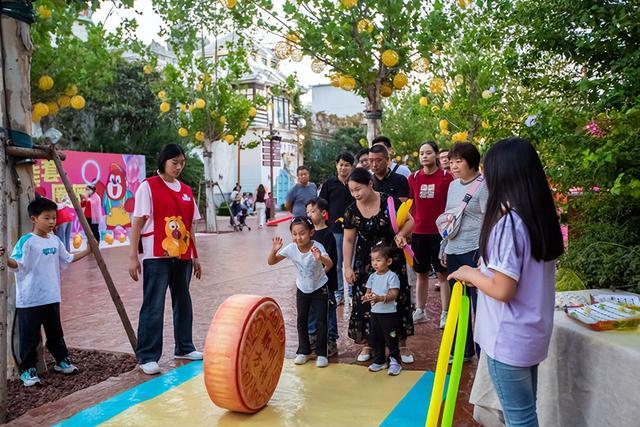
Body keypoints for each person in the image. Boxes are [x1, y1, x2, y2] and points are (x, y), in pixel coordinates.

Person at [448, 137, 564, 427]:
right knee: (526, 413)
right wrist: (484, 272)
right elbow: (514, 277)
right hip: (532, 333)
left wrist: (469, 273)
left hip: (508, 338)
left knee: (520, 419)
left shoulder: (509, 223)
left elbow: (503, 289)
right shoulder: (538, 219)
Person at [128, 144, 203, 375]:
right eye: (174, 162)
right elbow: (137, 223)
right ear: (163, 162)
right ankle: (148, 356)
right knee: (154, 304)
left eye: (182, 162)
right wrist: (133, 256)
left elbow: (189, 226)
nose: (178, 167)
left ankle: (184, 347)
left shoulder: (187, 190)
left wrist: (195, 256)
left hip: (182, 255)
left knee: (183, 301)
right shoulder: (148, 187)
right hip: (156, 255)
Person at [3, 197, 91, 387]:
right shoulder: (27, 241)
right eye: (46, 218)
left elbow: (67, 258)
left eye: (54, 218)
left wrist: (88, 250)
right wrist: (3, 259)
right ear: (34, 218)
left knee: (55, 333)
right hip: (30, 300)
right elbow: (16, 263)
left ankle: (62, 361)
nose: (52, 222)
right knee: (29, 337)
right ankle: (27, 370)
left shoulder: (55, 240)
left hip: (51, 296)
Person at [343, 168, 414, 364]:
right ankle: (368, 343)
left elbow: (410, 221)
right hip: (365, 261)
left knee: (396, 297)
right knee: (366, 299)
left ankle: (402, 344)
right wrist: (347, 267)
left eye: (358, 189)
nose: (356, 194)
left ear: (370, 184)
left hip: (391, 259)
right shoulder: (351, 210)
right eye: (352, 191)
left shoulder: (389, 201)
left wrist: (401, 235)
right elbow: (349, 240)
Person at [441, 142, 488, 361]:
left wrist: (484, 251)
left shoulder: (484, 185)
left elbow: (490, 220)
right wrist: (444, 246)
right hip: (454, 249)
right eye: (451, 162)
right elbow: (449, 217)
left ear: (471, 161)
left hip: (475, 249)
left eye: (458, 161)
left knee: (479, 304)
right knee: (457, 301)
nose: (453, 166)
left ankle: (482, 350)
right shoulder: (452, 186)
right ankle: (462, 350)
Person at [268, 216, 333, 368]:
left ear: (311, 232)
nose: (298, 237)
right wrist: (274, 250)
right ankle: (303, 351)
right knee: (301, 321)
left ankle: (322, 353)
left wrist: (320, 257)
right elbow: (271, 262)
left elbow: (329, 264)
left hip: (319, 288)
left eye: (302, 233)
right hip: (302, 288)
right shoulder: (291, 248)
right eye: (295, 234)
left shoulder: (317, 246)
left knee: (321, 321)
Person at [408, 142, 453, 328]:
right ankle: (420, 310)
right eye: (421, 153)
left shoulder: (446, 177)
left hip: (440, 234)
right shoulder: (413, 177)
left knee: (443, 275)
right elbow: (410, 205)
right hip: (419, 232)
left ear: (436, 155)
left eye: (428, 153)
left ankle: (445, 313)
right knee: (421, 274)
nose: (424, 156)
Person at [319, 152, 355, 305]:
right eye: (341, 164)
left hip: (353, 228)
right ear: (336, 165)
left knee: (352, 262)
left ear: (351, 167)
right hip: (334, 229)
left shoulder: (355, 183)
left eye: (346, 165)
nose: (343, 167)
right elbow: (322, 204)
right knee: (338, 262)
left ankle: (353, 293)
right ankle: (339, 293)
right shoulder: (329, 184)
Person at [305, 198, 339, 357]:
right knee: (312, 311)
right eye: (307, 212)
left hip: (326, 283)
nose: (309, 215)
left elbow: (332, 261)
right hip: (310, 284)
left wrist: (320, 275)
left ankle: (331, 341)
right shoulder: (308, 235)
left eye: (313, 211)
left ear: (323, 213)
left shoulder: (328, 235)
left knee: (328, 311)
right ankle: (313, 340)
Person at [363, 245, 402, 376]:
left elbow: (394, 293)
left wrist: (381, 298)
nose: (375, 263)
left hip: (389, 314)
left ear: (388, 261)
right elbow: (368, 291)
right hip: (375, 313)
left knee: (391, 338)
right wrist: (367, 296)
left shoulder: (392, 276)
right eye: (373, 260)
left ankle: (395, 361)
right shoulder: (372, 276)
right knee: (376, 338)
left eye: (378, 260)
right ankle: (379, 360)